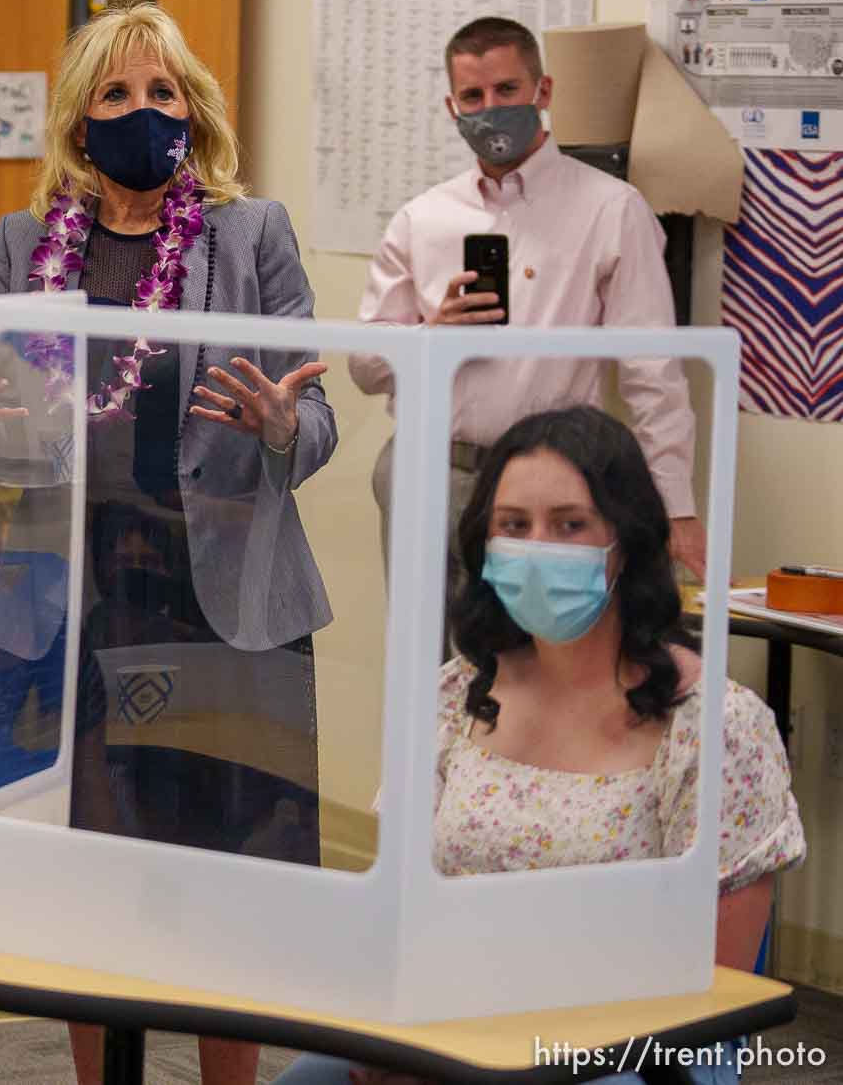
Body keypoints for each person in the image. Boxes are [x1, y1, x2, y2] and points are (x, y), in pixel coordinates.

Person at [0, 1, 337, 1085]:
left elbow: (318, 418)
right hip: (75, 600)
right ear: (78, 118)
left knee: (220, 888)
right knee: (83, 875)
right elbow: (17, 445)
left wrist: (283, 426)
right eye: (115, 93)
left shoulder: (254, 237)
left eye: (162, 92)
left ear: (193, 113)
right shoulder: (27, 244)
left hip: (218, 602)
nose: (141, 111)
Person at [272, 407, 804, 1085]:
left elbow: (718, 993)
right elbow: (399, 911)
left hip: (627, 1051)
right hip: (455, 1020)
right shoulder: (455, 692)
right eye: (514, 526)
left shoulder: (717, 725)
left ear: (627, 541)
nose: (539, 546)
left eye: (570, 524)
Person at [351, 16, 705, 580]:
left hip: (551, 482)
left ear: (543, 91)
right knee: (420, 662)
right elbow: (366, 368)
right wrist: (431, 336)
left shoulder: (611, 209)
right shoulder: (423, 217)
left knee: (534, 657)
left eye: (507, 89)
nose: (490, 106)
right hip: (425, 470)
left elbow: (652, 371)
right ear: (452, 108)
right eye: (473, 95)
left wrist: (675, 506)